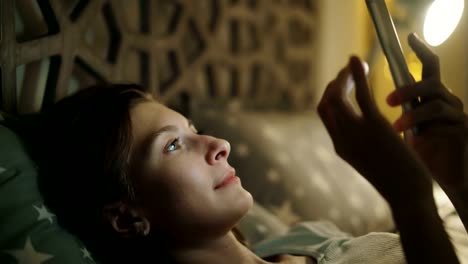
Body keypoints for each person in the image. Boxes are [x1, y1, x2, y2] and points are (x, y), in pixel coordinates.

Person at [24, 33, 466, 264]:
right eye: (174, 145)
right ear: (126, 216)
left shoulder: (307, 237)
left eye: (193, 129)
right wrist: (410, 199)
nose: (219, 144)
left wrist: (457, 177)